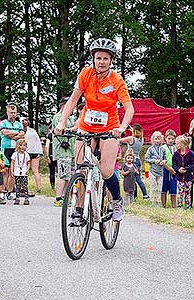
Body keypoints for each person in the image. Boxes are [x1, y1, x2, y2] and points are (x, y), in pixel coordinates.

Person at [54, 38, 134, 224]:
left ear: (110, 60)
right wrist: (62, 122)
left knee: (106, 171)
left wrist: (121, 128)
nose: (101, 62)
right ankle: (79, 210)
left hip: (110, 128)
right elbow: (73, 101)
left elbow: (129, 108)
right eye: (98, 58)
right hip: (86, 125)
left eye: (105, 58)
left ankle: (116, 201)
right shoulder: (85, 74)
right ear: (93, 59)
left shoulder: (116, 80)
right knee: (80, 168)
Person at [51, 97, 75, 207]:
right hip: (62, 150)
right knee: (62, 174)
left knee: (68, 176)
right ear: (62, 105)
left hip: (71, 150)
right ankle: (58, 197)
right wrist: (72, 130)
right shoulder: (58, 117)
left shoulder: (71, 117)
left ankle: (65, 197)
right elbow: (60, 131)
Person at [0, 103, 24, 200]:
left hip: (15, 150)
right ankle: (2, 191)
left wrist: (12, 134)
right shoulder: (3, 123)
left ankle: (10, 191)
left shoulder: (19, 124)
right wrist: (16, 134)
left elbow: (22, 134)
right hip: (5, 149)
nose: (13, 114)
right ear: (7, 112)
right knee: (5, 171)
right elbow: (5, 133)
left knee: (12, 172)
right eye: (11, 112)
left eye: (14, 112)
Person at [119, 123, 149, 199]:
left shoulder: (130, 139)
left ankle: (145, 194)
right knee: (137, 178)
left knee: (134, 179)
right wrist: (131, 128)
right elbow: (136, 132)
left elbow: (120, 140)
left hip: (132, 160)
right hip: (138, 160)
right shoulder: (141, 139)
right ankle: (138, 194)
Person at [173, 134, 194, 209]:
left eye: (177, 143)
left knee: (188, 193)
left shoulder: (191, 153)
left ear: (182, 144)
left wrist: (186, 169)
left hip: (188, 177)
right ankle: (179, 206)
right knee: (180, 193)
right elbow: (174, 164)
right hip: (180, 178)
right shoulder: (176, 154)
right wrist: (178, 169)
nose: (175, 145)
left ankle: (188, 206)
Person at [21, 116, 43, 194]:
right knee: (29, 171)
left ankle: (38, 187)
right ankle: (27, 187)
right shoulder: (31, 131)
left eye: (25, 120)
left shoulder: (31, 131)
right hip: (30, 152)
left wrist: (39, 152)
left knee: (32, 171)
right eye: (23, 121)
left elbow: (37, 141)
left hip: (30, 152)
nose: (24, 122)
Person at [145, 131, 166, 207]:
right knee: (152, 186)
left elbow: (165, 158)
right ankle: (151, 201)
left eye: (159, 139)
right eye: (156, 139)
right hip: (152, 170)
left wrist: (163, 161)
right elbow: (146, 159)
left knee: (160, 187)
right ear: (153, 139)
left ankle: (158, 202)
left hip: (160, 171)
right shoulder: (150, 149)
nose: (157, 140)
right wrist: (154, 161)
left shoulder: (163, 149)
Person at [10, 139, 31, 205]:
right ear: (17, 146)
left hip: (24, 172)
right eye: (21, 145)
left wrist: (27, 169)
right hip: (17, 172)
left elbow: (28, 163)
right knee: (18, 186)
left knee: (25, 186)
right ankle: (17, 198)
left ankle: (26, 198)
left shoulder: (27, 155)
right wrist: (12, 170)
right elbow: (12, 163)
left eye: (24, 145)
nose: (22, 147)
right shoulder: (15, 154)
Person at [161, 129, 177, 208]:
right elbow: (162, 160)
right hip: (165, 170)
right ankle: (163, 205)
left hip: (174, 171)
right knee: (164, 188)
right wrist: (168, 168)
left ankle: (174, 205)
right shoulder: (162, 148)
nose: (170, 140)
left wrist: (174, 169)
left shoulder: (176, 148)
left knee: (173, 188)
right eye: (169, 138)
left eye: (172, 139)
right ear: (165, 138)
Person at [44, 124, 56, 189]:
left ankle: (52, 186)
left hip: (51, 156)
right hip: (59, 156)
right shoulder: (59, 135)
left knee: (52, 172)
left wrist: (47, 156)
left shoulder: (50, 136)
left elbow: (46, 146)